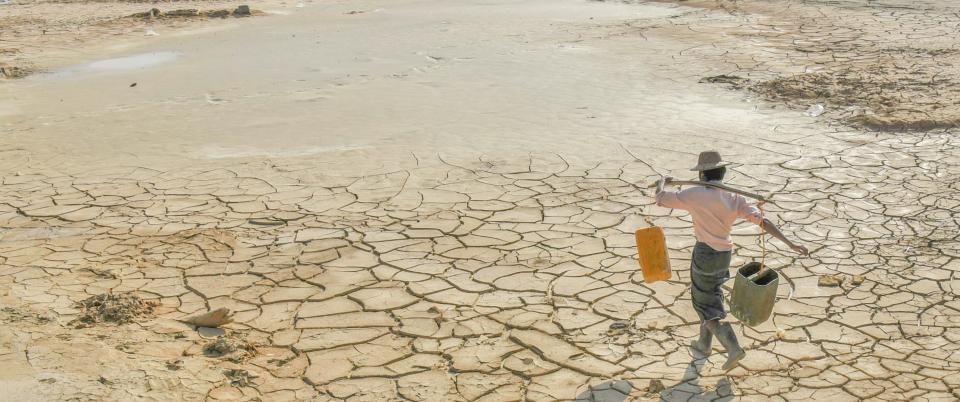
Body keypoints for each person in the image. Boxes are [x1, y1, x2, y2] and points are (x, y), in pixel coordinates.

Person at [654, 150, 809, 371]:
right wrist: (790, 243)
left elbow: (661, 199)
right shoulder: (734, 197)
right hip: (724, 255)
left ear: (702, 176)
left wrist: (661, 182)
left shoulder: (695, 194)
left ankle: (733, 347)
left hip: (705, 253)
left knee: (703, 302)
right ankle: (703, 344)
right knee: (710, 296)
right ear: (722, 173)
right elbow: (762, 221)